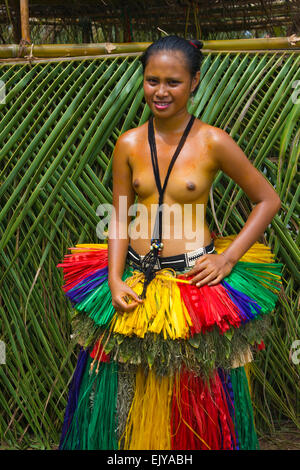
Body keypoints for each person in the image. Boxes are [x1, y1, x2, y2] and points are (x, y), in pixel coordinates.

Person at [57, 35, 283, 450]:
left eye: (173, 82)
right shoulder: (128, 143)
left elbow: (268, 200)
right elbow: (121, 219)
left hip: (194, 285)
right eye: (152, 80)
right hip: (136, 281)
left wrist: (229, 259)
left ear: (194, 81)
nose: (160, 91)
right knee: (123, 393)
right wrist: (112, 278)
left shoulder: (213, 141)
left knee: (193, 395)